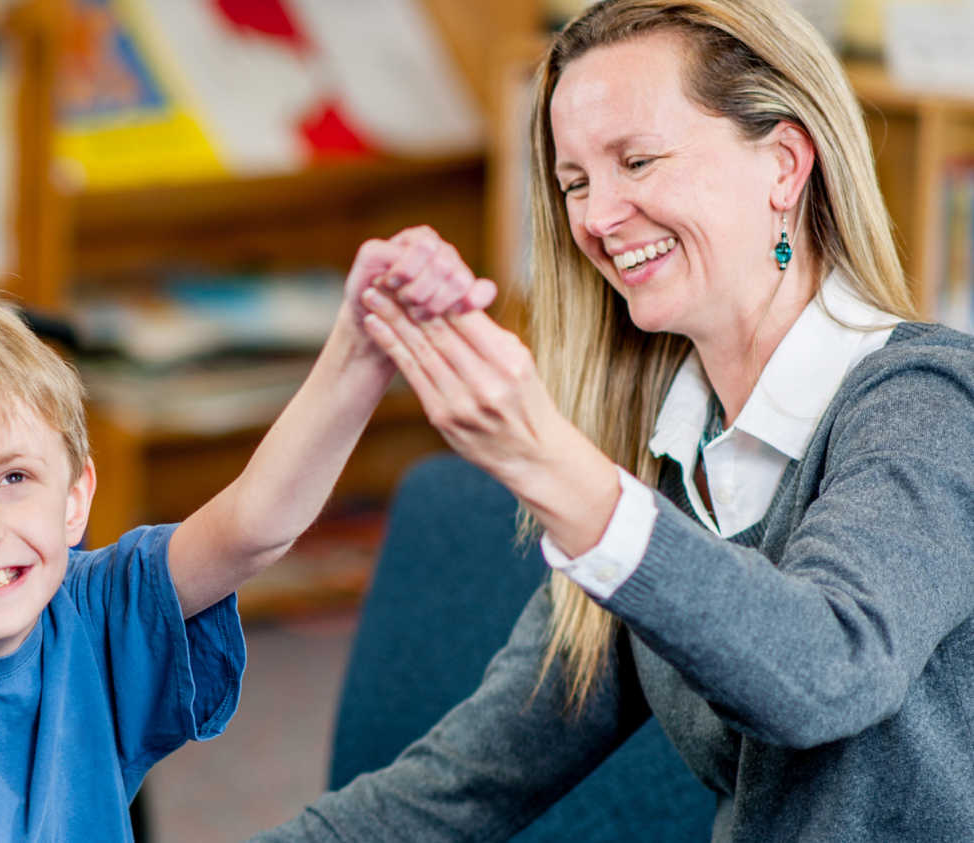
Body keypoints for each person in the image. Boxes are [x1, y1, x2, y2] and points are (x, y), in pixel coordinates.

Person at [252, 0, 974, 841]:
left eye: (638, 160)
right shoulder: (665, 463)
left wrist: (554, 466)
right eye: (575, 182)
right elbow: (462, 783)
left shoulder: (928, 399)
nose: (596, 218)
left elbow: (825, 670)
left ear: (782, 164)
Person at [0, 248, 491, 843]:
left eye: (14, 478)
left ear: (76, 500)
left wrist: (357, 352)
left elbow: (255, 524)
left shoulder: (101, 606)